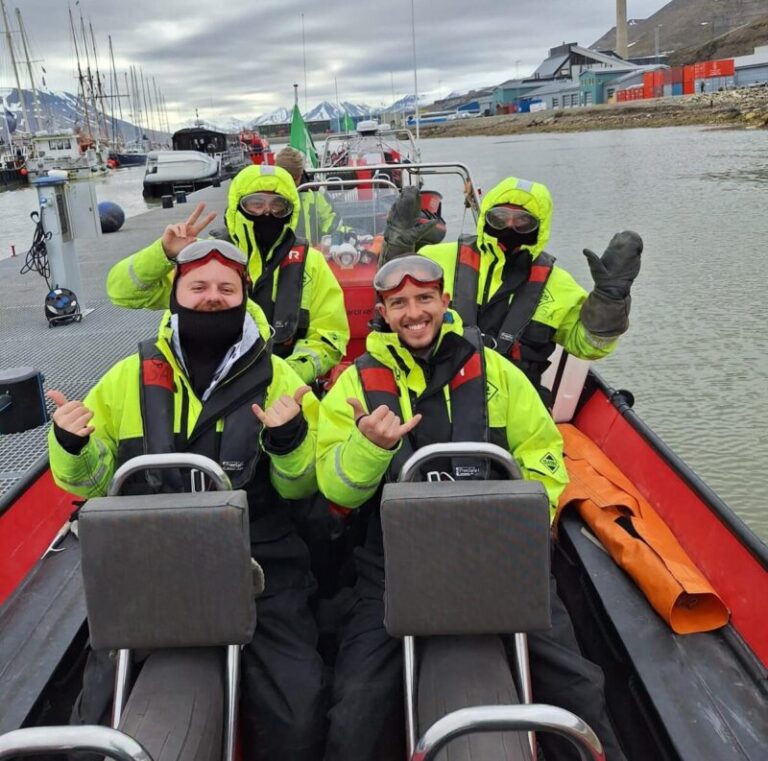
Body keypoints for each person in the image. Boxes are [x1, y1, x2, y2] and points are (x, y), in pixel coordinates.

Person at [316, 255, 626, 761]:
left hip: (500, 556)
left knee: (579, 690)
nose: (413, 313)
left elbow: (544, 455)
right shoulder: (355, 386)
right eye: (399, 304)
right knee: (355, 708)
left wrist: (521, 523)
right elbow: (335, 488)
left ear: (445, 302)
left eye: (423, 300)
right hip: (395, 567)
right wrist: (370, 446)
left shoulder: (498, 373)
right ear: (383, 313)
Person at [50, 240, 326, 761]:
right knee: (96, 712)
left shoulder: (282, 379)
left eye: (227, 288)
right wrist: (71, 444)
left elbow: (301, 486)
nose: (212, 298)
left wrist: (289, 441)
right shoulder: (125, 378)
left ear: (246, 297)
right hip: (149, 563)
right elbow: (89, 484)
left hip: (257, 565)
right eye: (198, 287)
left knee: (299, 705)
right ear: (176, 294)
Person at [381, 179, 643, 405]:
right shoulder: (435, 259)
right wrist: (395, 248)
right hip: (434, 397)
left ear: (540, 227)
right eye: (499, 217)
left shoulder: (558, 284)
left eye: (523, 222)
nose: (510, 227)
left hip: (519, 406)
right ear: (486, 217)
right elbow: (391, 303)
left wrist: (610, 300)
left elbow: (590, 346)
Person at [106, 164, 349, 385]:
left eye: (278, 205)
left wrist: (282, 375)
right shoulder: (202, 256)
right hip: (204, 386)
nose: (267, 213)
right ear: (237, 206)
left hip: (283, 388)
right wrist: (163, 254)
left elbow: (330, 337)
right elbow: (123, 293)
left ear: (290, 210)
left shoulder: (310, 262)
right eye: (256, 203)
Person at [274, 146, 347, 244]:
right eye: (286, 179)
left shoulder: (315, 191)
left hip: (310, 250)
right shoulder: (269, 195)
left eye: (294, 178)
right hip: (280, 253)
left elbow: (331, 219)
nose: (291, 183)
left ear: (301, 173)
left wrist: (327, 241)